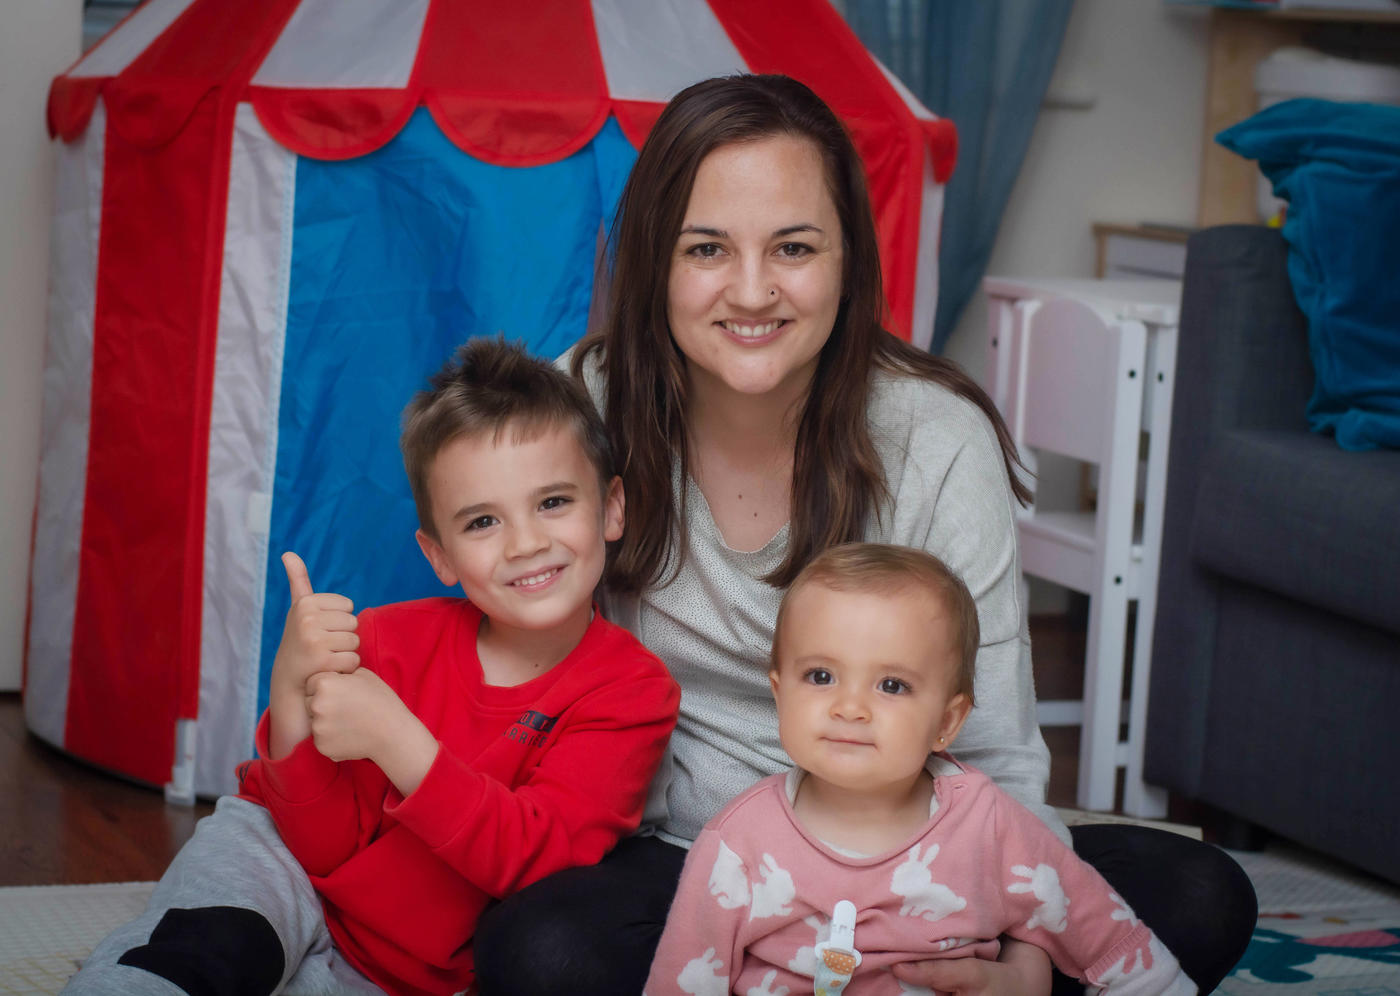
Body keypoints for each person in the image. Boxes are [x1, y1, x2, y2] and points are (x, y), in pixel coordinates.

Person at [472, 74, 1256, 996]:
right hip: (696, 863)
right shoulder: (584, 408)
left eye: (794, 247)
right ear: (655, 260)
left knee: (1203, 893)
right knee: (538, 952)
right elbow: (504, 644)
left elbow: (996, 748)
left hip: (922, 864)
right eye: (708, 248)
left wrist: (1024, 962)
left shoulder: (937, 437)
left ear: (847, 260)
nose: (754, 290)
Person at [63, 338, 680, 996]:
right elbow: (318, 845)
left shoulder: (632, 692)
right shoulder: (385, 640)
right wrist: (290, 690)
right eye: (482, 522)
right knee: (203, 952)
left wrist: (399, 742)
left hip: (409, 963)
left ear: (611, 508)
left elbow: (540, 865)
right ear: (439, 556)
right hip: (282, 859)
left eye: (553, 502)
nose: (526, 543)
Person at [644, 543, 1194, 995]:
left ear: (947, 722)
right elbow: (682, 984)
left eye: (892, 685)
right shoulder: (737, 842)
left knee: (1201, 889)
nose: (850, 707)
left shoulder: (986, 822)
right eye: (820, 677)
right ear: (779, 692)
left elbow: (1110, 939)